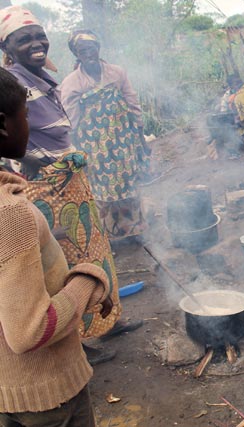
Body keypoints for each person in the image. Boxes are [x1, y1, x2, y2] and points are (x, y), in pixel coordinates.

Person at [0, 6, 140, 365]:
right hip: (46, 186)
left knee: (95, 250)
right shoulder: (10, 82)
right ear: (7, 46)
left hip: (70, 180)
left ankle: (107, 320)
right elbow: (15, 142)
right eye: (23, 38)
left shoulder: (43, 79)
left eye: (39, 36)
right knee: (65, 263)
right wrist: (40, 164)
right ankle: (79, 337)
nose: (36, 43)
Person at [0, 66, 113, 427]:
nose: (29, 125)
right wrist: (89, 281)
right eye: (27, 115)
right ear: (3, 125)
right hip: (45, 397)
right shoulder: (10, 214)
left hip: (10, 390)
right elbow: (30, 330)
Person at [60, 29, 148, 241]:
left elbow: (132, 103)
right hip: (95, 145)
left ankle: (135, 231)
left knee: (130, 184)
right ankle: (108, 237)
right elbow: (71, 119)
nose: (89, 54)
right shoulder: (72, 82)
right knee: (102, 190)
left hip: (124, 140)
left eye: (92, 49)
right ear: (77, 54)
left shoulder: (116, 73)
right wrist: (75, 149)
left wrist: (141, 137)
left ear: (98, 49)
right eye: (83, 51)